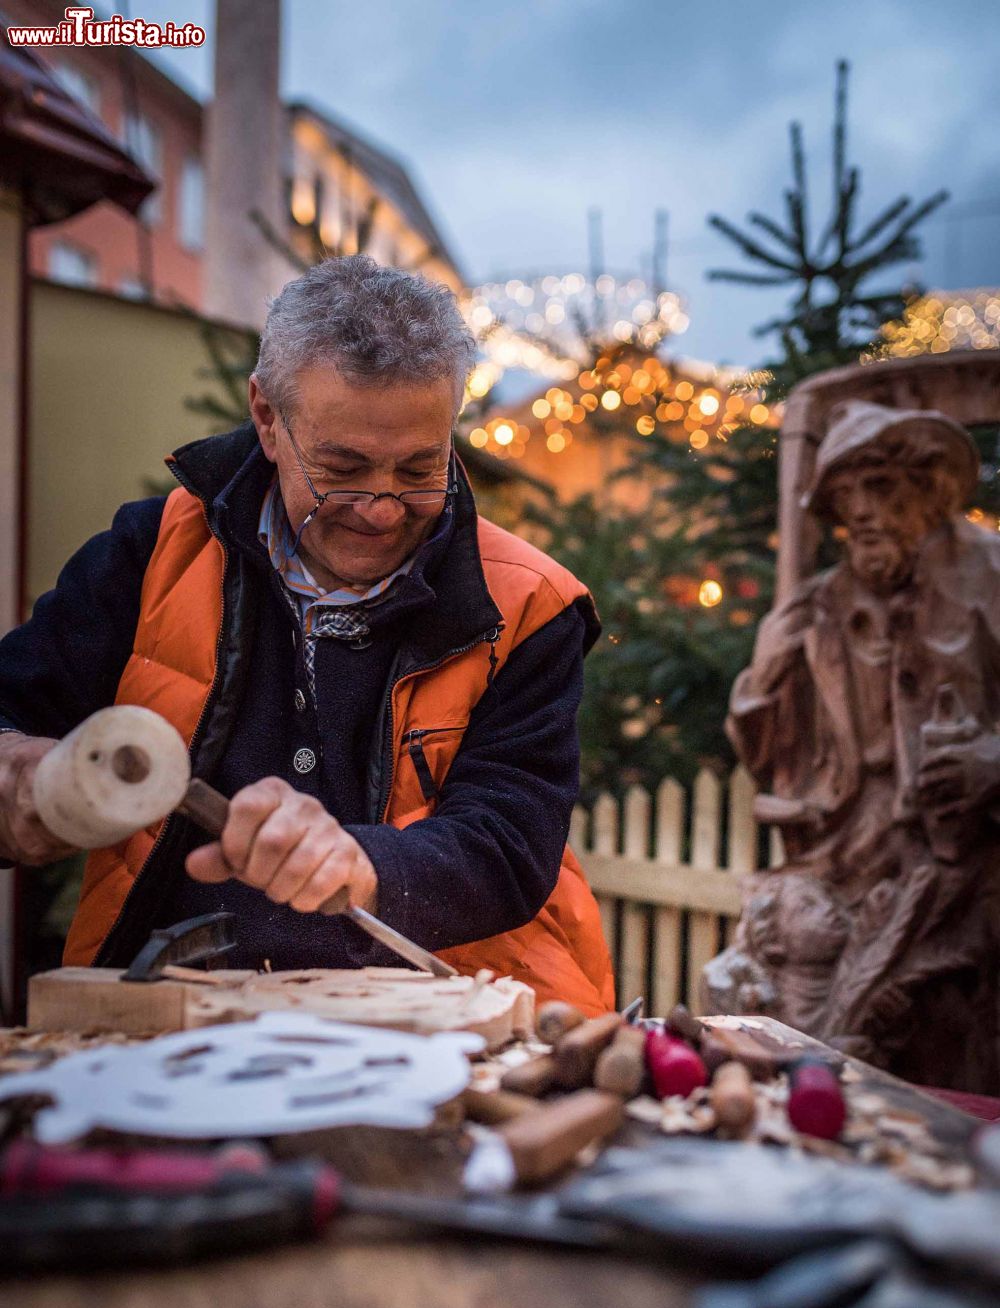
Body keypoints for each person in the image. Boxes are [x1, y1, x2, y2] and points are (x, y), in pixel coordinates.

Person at [0, 256, 614, 1014]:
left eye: (420, 468)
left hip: (441, 1016)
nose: (383, 508)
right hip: (168, 1016)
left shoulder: (528, 602)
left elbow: (508, 846)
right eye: (343, 468)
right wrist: (28, 781)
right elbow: (11, 721)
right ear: (267, 418)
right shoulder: (150, 554)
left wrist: (364, 863)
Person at [725, 399, 1000, 1089]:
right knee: (773, 982)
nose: (863, 514)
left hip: (961, 856)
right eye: (848, 499)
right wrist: (763, 675)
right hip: (846, 844)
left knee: (911, 1031)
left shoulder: (988, 576)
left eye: (879, 488)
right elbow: (769, 756)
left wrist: (989, 761)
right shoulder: (822, 604)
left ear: (931, 488)